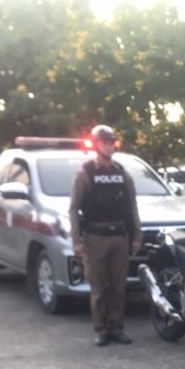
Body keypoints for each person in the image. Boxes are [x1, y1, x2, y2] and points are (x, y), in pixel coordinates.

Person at [69, 125, 142, 347]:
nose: (110, 146)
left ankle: (116, 327)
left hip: (119, 236)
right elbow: (74, 208)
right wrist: (76, 240)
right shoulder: (85, 173)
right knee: (99, 288)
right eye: (106, 142)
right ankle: (101, 329)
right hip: (95, 237)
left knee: (118, 287)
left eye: (112, 142)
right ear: (96, 144)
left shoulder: (122, 173)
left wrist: (136, 237)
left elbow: (132, 206)